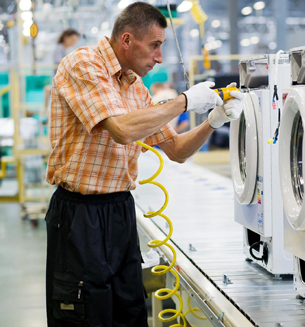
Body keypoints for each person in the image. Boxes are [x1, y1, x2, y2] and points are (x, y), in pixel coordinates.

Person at [44, 3, 243, 327]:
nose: (160, 57)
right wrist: (184, 101)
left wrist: (214, 120)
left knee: (129, 312)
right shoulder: (82, 64)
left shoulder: (135, 86)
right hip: (79, 216)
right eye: (155, 45)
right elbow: (122, 129)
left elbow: (176, 149)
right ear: (126, 40)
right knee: (84, 314)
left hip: (120, 210)